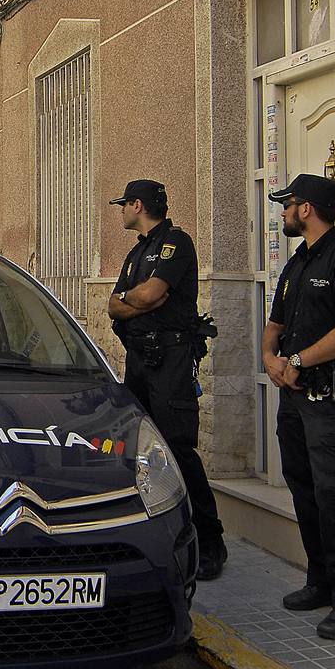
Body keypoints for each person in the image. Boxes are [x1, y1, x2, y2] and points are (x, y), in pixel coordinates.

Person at [262, 173, 335, 640]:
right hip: (292, 394)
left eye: (287, 204)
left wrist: (297, 360)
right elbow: (276, 322)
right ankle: (321, 582)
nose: (283, 211)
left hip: (329, 396)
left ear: (306, 209)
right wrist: (271, 358)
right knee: (303, 487)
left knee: (333, 494)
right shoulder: (296, 263)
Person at [106, 178, 227, 579]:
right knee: (139, 450)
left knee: (178, 450)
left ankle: (211, 543)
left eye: (124, 204)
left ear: (137, 205)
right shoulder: (137, 252)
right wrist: (128, 301)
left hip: (171, 362)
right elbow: (114, 305)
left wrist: (130, 301)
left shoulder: (176, 244)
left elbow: (152, 294)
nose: (121, 210)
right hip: (140, 361)